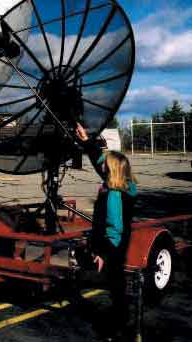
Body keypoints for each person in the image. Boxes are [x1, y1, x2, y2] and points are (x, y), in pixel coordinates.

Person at [76, 123, 137, 339]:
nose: (101, 166)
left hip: (113, 246)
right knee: (117, 285)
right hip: (120, 245)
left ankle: (117, 328)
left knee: (116, 286)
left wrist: (101, 252)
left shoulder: (113, 195)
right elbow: (100, 161)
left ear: (110, 171)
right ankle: (121, 322)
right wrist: (86, 141)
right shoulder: (127, 186)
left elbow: (114, 228)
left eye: (105, 166)